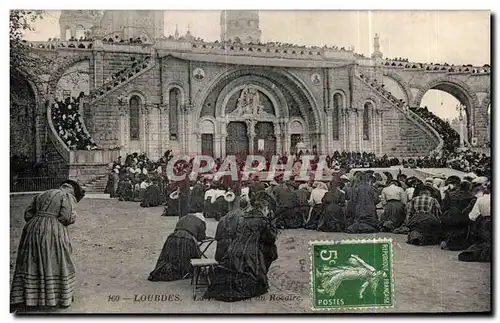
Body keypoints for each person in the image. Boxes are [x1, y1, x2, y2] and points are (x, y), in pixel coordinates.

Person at [11, 180, 85, 309]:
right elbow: (66, 217)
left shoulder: (41, 194)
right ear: (72, 190)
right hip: (52, 230)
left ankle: (28, 297)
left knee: (32, 261)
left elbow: (28, 214)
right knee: (56, 260)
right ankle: (54, 297)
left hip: (31, 229)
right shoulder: (66, 197)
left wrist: (38, 220)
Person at [204, 191, 278, 302]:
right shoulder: (263, 220)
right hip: (250, 254)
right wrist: (271, 224)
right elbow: (270, 238)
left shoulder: (243, 217)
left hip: (232, 250)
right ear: (265, 207)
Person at [148, 200, 207, 281]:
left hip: (172, 238)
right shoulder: (200, 222)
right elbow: (201, 237)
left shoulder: (183, 218)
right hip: (187, 239)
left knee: (170, 258)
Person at [458, 182, 491, 262]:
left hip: (485, 223)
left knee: (485, 241)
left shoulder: (481, 199)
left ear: (488, 189)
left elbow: (473, 215)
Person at [214, 191, 244, 262]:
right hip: (235, 255)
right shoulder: (242, 218)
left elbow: (217, 237)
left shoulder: (222, 219)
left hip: (221, 255)